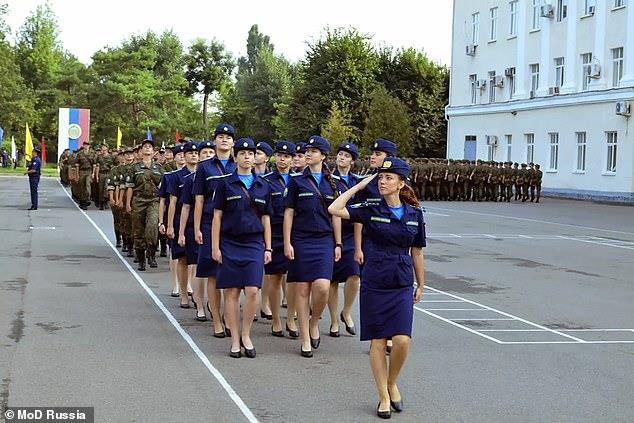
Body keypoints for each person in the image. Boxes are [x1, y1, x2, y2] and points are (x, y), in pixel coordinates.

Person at [328, 157, 426, 419]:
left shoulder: (415, 214)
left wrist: (422, 284)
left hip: (402, 280)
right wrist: (359, 187)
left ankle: (392, 381)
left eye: (389, 178)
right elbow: (335, 209)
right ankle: (383, 394)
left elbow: (417, 251)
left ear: (401, 183)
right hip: (375, 280)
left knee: (402, 340)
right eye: (381, 178)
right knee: (378, 341)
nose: (383, 181)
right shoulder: (371, 208)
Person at [212, 138, 272, 358]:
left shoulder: (262, 184)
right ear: (236, 157)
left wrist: (268, 247)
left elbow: (266, 218)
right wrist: (215, 247)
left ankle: (247, 334)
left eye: (251, 153)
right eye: (243, 153)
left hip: (254, 243)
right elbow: (217, 217)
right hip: (229, 242)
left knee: (253, 290)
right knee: (232, 292)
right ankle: (235, 339)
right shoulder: (225, 183)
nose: (247, 157)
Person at [283, 135, 342, 358]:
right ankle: (306, 337)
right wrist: (287, 242)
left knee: (322, 287)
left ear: (324, 156)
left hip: (324, 240)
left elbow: (336, 214)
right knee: (302, 288)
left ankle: (314, 320)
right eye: (307, 150)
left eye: (314, 151)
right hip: (301, 239)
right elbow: (288, 213)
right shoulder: (296, 180)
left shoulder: (332, 182)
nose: (308, 153)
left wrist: (338, 243)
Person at [193, 123, 237, 337]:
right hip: (210, 223)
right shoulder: (204, 167)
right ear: (215, 140)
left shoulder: (238, 166)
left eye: (228, 137)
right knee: (212, 273)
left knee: (230, 273)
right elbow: (199, 199)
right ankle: (217, 319)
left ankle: (229, 317)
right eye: (220, 136)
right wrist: (198, 227)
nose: (224, 140)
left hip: (233, 224)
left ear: (233, 142)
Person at [328, 142, 362, 337]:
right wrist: (337, 242)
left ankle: (346, 312)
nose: (342, 158)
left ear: (352, 160)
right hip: (330, 234)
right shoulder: (328, 179)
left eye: (346, 156)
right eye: (340, 154)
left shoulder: (356, 182)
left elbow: (359, 213)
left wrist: (358, 246)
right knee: (332, 280)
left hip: (351, 234)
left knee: (354, 275)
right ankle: (333, 320)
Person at [263, 140, 296, 337]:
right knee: (274, 277)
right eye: (280, 156)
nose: (282, 159)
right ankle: (276, 319)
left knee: (292, 278)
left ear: (293, 159)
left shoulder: (299, 180)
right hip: (274, 232)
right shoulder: (266, 181)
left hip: (294, 233)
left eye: (287, 156)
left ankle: (290, 317)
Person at [125, 139, 164, 271]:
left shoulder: (159, 168)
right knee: (138, 230)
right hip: (138, 201)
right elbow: (130, 187)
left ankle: (151, 254)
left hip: (153, 201)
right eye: (145, 147)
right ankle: (141, 259)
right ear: (141, 151)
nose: (147, 149)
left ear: (154, 152)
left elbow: (162, 187)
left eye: (150, 147)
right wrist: (128, 204)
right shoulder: (134, 168)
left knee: (152, 227)